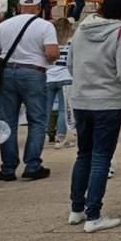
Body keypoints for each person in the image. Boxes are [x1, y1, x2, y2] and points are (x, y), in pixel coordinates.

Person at [66, 0, 121, 233]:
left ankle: (76, 208)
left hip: (81, 99)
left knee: (83, 154)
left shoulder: (82, 29)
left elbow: (70, 63)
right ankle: (94, 214)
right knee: (101, 157)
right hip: (108, 101)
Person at [0, 0, 59, 182]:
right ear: (39, 7)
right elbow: (52, 53)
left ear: (19, 6)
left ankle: (7, 168)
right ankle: (32, 165)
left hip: (6, 73)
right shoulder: (45, 26)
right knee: (37, 120)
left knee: (7, 121)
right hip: (33, 72)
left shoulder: (3, 25)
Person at [46, 18, 75, 149]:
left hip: (49, 76)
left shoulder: (50, 41)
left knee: (45, 109)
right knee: (63, 110)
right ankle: (60, 138)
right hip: (65, 76)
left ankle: (41, 136)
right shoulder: (71, 42)